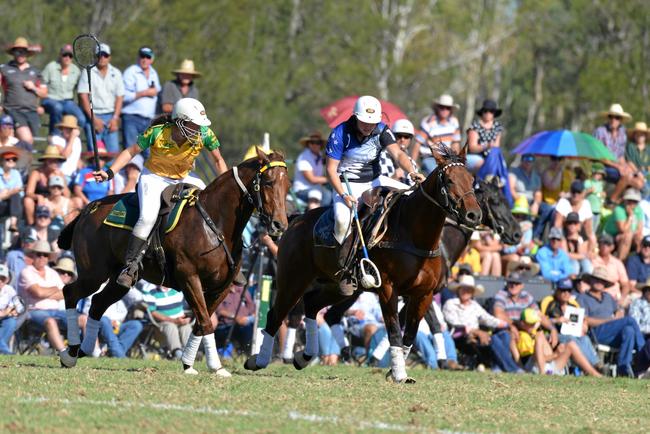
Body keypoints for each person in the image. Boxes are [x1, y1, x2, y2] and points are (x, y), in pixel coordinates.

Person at [93, 98, 227, 288]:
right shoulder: (157, 133)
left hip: (184, 176)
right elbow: (131, 152)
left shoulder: (205, 134)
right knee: (147, 217)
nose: (198, 129)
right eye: (194, 125)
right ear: (180, 122)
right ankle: (130, 266)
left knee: (210, 206)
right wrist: (109, 172)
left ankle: (222, 256)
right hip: (155, 177)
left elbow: (218, 160)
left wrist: (226, 184)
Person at [325, 95, 423, 294]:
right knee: (343, 221)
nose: (369, 126)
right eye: (365, 121)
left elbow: (398, 154)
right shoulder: (340, 133)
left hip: (375, 180)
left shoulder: (381, 130)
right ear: (355, 117)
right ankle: (344, 270)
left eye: (372, 122)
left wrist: (411, 172)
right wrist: (344, 195)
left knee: (411, 195)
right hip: (347, 184)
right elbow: (330, 170)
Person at [577, 267, 645, 377]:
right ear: (590, 280)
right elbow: (585, 320)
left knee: (629, 331)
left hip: (612, 333)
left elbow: (618, 310)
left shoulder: (608, 297)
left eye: (602, 281)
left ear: (605, 284)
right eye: (596, 279)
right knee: (629, 320)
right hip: (596, 333)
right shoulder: (582, 298)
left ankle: (623, 369)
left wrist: (619, 312)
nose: (599, 282)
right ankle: (644, 354)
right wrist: (610, 320)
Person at [442, 275, 512, 371]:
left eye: (469, 289)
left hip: (477, 335)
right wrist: (475, 331)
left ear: (472, 292)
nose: (466, 292)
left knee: (504, 336)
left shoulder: (474, 305)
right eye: (463, 289)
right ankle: (511, 368)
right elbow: (453, 321)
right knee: (491, 340)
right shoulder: (450, 303)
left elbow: (488, 319)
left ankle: (498, 366)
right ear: (458, 290)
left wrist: (508, 325)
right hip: (459, 336)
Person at [492, 272, 559, 371]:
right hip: (508, 329)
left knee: (541, 335)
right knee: (511, 335)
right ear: (507, 283)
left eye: (517, 283)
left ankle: (546, 366)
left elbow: (539, 315)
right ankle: (518, 368)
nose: (513, 285)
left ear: (522, 285)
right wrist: (514, 325)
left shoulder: (527, 296)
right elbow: (498, 314)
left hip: (526, 328)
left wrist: (552, 329)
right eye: (511, 283)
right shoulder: (502, 294)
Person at [18, 240, 66, 352]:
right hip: (33, 312)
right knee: (50, 321)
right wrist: (54, 289)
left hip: (55, 310)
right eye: (39, 254)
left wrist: (43, 292)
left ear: (48, 257)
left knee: (82, 319)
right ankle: (64, 354)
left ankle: (92, 352)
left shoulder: (52, 273)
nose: (42, 257)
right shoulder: (26, 272)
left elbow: (64, 293)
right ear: (32, 256)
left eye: (45, 255)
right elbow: (38, 292)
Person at [540, 278, 599, 368]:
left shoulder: (574, 304)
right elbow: (540, 319)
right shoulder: (549, 302)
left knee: (585, 338)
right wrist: (556, 320)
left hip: (573, 334)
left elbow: (583, 320)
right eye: (563, 290)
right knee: (570, 339)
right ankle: (590, 366)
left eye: (569, 290)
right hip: (553, 334)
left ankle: (596, 364)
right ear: (557, 290)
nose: (566, 293)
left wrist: (584, 326)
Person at [77, 43, 124, 153]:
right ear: (95, 56)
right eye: (99, 55)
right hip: (94, 115)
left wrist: (115, 118)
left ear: (109, 57)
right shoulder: (87, 71)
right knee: (95, 154)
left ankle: (110, 171)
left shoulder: (116, 73)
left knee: (113, 153)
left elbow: (120, 96)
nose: (102, 58)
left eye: (105, 55)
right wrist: (93, 118)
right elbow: (83, 95)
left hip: (110, 116)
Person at [0, 37, 48, 144]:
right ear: (13, 53)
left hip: (31, 112)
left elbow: (44, 93)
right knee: (27, 140)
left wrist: (34, 88)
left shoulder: (35, 72)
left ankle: (15, 160)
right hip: (13, 110)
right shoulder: (4, 68)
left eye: (23, 51)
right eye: (18, 51)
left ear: (27, 53)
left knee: (20, 143)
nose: (20, 54)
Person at [593, 104, 644, 202]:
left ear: (620, 120)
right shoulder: (600, 131)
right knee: (627, 176)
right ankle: (612, 200)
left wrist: (626, 167)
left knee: (639, 182)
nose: (613, 120)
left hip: (616, 166)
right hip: (602, 166)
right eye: (611, 117)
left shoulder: (622, 133)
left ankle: (624, 202)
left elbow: (620, 156)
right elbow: (598, 156)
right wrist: (618, 166)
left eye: (617, 117)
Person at [40, 44, 85, 137]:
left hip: (68, 101)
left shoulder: (76, 70)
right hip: (50, 99)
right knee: (57, 108)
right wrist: (37, 105)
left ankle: (72, 139)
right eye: (65, 55)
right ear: (60, 55)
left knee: (81, 119)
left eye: (70, 55)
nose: (67, 58)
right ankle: (54, 137)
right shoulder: (50, 67)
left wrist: (82, 107)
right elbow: (40, 85)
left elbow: (81, 91)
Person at [121, 46, 161, 149]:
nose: (144, 59)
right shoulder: (130, 72)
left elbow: (157, 92)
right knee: (131, 151)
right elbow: (123, 96)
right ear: (138, 57)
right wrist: (145, 92)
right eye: (142, 56)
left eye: (148, 57)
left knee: (148, 153)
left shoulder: (154, 73)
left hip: (149, 120)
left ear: (152, 59)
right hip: (131, 118)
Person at [411, 94, 461, 174]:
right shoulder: (428, 122)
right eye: (442, 107)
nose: (444, 110)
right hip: (430, 158)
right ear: (437, 108)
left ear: (451, 110)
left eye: (447, 108)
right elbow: (417, 143)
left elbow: (455, 144)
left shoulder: (454, 122)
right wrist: (412, 164)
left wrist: (456, 160)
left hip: (448, 158)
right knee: (439, 174)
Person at [23, 146, 68, 226]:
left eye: (57, 161)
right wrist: (38, 197)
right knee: (27, 201)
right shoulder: (36, 173)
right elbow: (29, 192)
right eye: (52, 161)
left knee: (74, 202)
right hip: (39, 201)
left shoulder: (60, 173)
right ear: (46, 161)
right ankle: (31, 226)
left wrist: (60, 179)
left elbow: (67, 194)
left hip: (54, 200)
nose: (55, 163)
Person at [145, 284, 192, 360]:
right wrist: (173, 320)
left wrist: (187, 319)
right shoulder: (151, 290)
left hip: (180, 320)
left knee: (186, 327)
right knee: (170, 326)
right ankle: (177, 353)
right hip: (161, 323)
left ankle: (190, 353)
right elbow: (152, 312)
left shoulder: (177, 289)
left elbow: (187, 308)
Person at [553, 180, 595, 252]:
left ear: (583, 193)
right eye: (574, 191)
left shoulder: (586, 204)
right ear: (570, 192)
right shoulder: (563, 202)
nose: (576, 194)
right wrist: (563, 243)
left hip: (579, 239)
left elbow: (589, 231)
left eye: (578, 192)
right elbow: (557, 227)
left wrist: (591, 249)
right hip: (563, 236)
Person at [602, 188, 644, 259]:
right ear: (625, 200)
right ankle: (621, 261)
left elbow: (639, 229)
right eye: (629, 201)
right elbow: (623, 229)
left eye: (635, 201)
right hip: (612, 236)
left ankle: (638, 262)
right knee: (627, 236)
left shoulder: (639, 210)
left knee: (640, 237)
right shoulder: (619, 210)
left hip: (629, 235)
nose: (632, 203)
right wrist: (630, 216)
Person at [214, 279, 255, 353]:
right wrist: (236, 317)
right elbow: (220, 311)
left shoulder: (241, 289)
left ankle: (247, 352)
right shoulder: (220, 292)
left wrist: (250, 316)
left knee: (251, 328)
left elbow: (251, 306)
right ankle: (244, 352)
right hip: (227, 325)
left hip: (245, 320)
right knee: (245, 329)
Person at [591, 233, 631, 304]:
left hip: (614, 297)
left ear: (612, 247)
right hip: (595, 295)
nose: (604, 247)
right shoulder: (592, 260)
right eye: (602, 243)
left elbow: (625, 284)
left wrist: (622, 298)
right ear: (598, 245)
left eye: (607, 244)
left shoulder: (617, 263)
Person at [293, 131, 330, 205]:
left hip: (316, 187)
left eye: (318, 143)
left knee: (331, 194)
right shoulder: (304, 157)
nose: (315, 145)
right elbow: (312, 179)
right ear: (308, 144)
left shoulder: (319, 155)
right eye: (312, 142)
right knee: (321, 195)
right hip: (302, 189)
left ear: (321, 145)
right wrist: (331, 179)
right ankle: (314, 215)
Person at [466, 99, 504, 173]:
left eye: (491, 111)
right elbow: (472, 148)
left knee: (501, 166)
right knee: (485, 164)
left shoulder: (497, 127)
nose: (488, 113)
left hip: (491, 157)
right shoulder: (475, 126)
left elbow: (496, 146)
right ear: (482, 112)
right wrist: (486, 146)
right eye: (486, 111)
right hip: (474, 156)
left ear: (494, 113)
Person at [48, 115, 83, 183]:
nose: (68, 130)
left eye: (71, 129)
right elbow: (65, 155)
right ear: (62, 128)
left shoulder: (77, 140)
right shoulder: (56, 139)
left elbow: (77, 159)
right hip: (61, 175)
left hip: (75, 176)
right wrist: (72, 138)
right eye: (66, 128)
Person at [0, 147, 25, 233]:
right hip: (2, 204)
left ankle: (13, 224)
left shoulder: (16, 173)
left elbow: (20, 192)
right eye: (8, 159)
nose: (11, 161)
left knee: (16, 196)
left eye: (14, 159)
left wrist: (8, 193)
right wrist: (11, 192)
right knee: (15, 195)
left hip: (12, 204)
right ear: (2, 160)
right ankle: (14, 225)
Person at [562, 212, 593, 276]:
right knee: (574, 265)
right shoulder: (563, 238)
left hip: (582, 260)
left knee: (587, 265)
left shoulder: (583, 238)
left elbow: (583, 253)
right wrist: (582, 255)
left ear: (579, 225)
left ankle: (585, 281)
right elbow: (565, 255)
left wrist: (578, 241)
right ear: (566, 225)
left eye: (575, 223)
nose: (572, 225)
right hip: (569, 261)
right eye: (569, 223)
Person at [0, 264, 18, 354]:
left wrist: (10, 311)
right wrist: (6, 312)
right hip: (4, 315)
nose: (0, 281)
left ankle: (3, 349)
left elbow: (16, 306)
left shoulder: (9, 290)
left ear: (6, 280)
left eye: (2, 278)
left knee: (11, 322)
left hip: (6, 318)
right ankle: (7, 352)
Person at [584, 162, 606, 232]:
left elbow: (601, 197)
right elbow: (582, 194)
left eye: (600, 174)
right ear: (592, 173)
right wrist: (588, 191)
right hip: (589, 210)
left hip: (598, 211)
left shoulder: (601, 184)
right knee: (588, 230)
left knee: (594, 230)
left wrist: (603, 195)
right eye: (597, 173)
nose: (599, 176)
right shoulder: (587, 182)